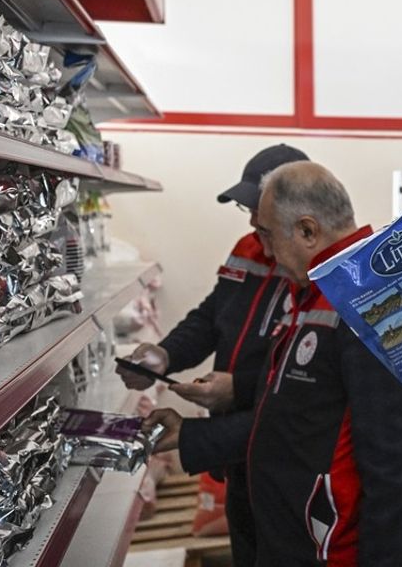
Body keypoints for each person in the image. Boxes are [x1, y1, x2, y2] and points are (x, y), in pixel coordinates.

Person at [147, 162, 402, 566]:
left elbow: (396, 466)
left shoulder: (369, 302)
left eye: (267, 234)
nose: (264, 250)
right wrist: (194, 435)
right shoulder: (315, 291)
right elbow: (290, 415)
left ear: (307, 230)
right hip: (294, 540)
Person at [116, 143, 306, 567]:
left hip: (280, 459)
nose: (255, 220)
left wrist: (238, 389)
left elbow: (304, 372)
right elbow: (211, 316)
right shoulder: (248, 249)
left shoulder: (313, 267)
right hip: (234, 448)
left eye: (260, 208)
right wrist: (164, 356)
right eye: (249, 210)